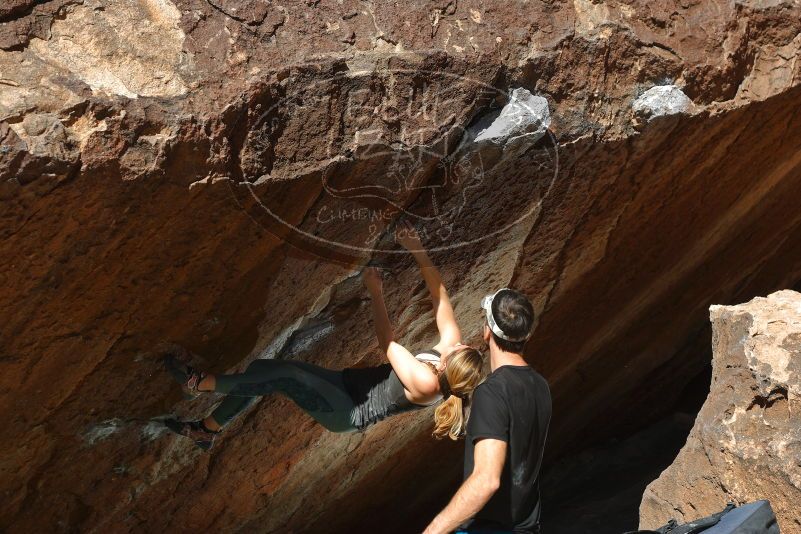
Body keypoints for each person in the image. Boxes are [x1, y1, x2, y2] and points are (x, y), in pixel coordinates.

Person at [162, 225, 485, 450]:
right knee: (263, 370)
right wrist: (418, 249)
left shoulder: (428, 384)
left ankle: (199, 383)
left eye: (458, 348)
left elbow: (387, 342)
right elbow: (439, 296)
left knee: (285, 375)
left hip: (346, 411)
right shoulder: (449, 354)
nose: (458, 342)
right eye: (461, 344)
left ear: (445, 367)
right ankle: (207, 430)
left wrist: (376, 294)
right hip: (345, 384)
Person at [424, 288, 552, 534]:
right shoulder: (540, 386)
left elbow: (487, 480)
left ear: (486, 332)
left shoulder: (492, 392)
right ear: (527, 335)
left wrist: (433, 530)